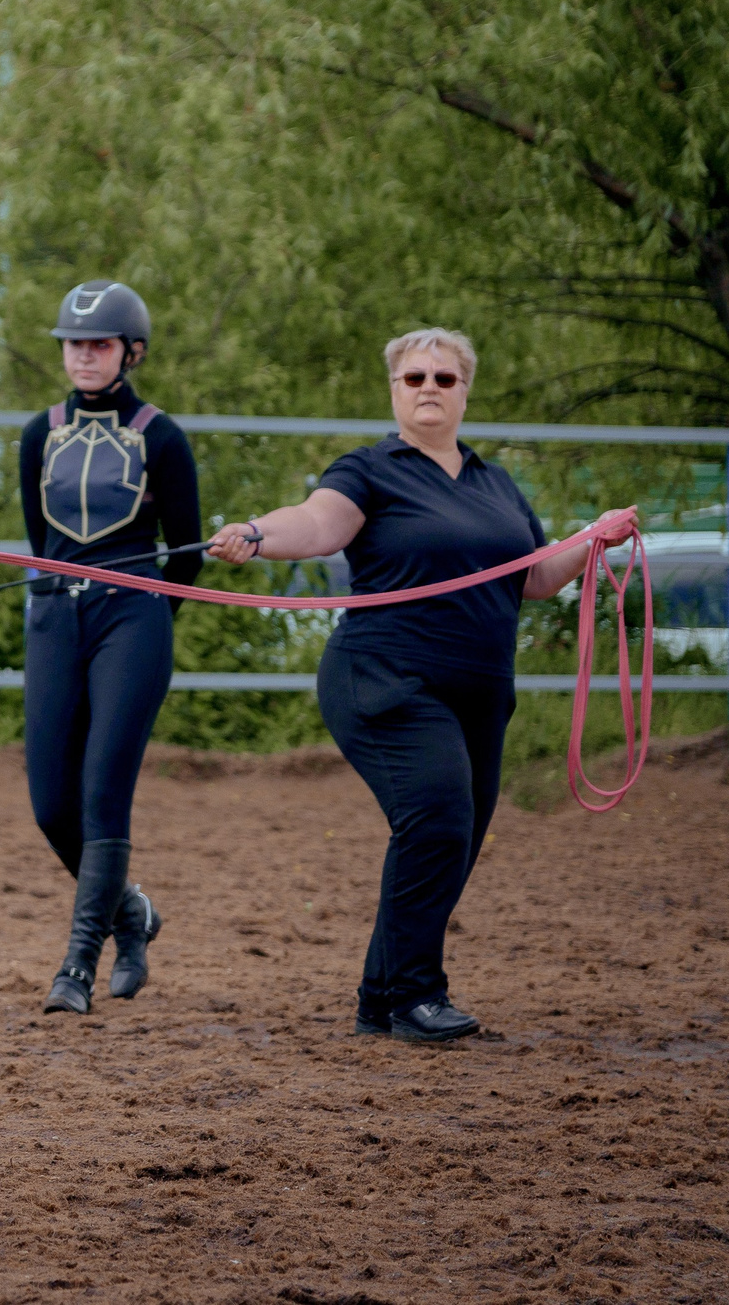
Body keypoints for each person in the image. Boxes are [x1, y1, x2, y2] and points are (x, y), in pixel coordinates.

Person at [207, 329, 635, 1043]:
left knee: (451, 837)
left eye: (444, 376)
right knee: (436, 816)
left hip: (480, 691)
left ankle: (380, 997)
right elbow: (316, 523)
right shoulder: (370, 470)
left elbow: (532, 577)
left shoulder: (495, 484)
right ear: (394, 390)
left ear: (466, 389)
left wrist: (591, 537)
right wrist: (257, 531)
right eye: (414, 377)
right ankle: (414, 994)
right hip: (384, 679)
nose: (429, 386)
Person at [17, 280, 202, 1015]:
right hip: (55, 619)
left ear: (131, 351)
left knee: (102, 797)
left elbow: (184, 551)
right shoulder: (39, 432)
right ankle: (133, 913)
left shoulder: (162, 436)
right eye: (73, 343)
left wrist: (147, 607)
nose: (84, 355)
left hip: (134, 617)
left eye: (98, 344)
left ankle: (76, 967)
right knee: (49, 805)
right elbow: (41, 538)